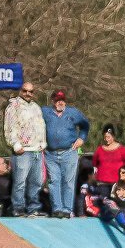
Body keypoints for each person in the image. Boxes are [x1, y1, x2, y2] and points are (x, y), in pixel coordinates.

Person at [39, 88, 89, 218]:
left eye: (62, 100)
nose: (60, 103)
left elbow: (85, 125)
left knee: (68, 181)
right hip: (50, 153)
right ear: (52, 101)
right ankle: (57, 209)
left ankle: (67, 209)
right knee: (54, 181)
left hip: (69, 152)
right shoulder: (45, 112)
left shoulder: (73, 113)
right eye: (57, 100)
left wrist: (81, 138)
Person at [3, 81, 47, 217]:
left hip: (37, 150)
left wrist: (42, 143)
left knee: (36, 182)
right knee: (20, 182)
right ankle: (18, 208)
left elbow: (41, 127)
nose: (28, 93)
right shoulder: (13, 106)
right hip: (23, 151)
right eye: (25, 91)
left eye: (31, 91)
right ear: (20, 91)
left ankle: (33, 208)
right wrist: (15, 145)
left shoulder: (36, 107)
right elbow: (9, 127)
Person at [92, 123, 125, 200]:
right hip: (102, 183)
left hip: (117, 184)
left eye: (108, 137)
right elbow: (94, 162)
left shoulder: (122, 149)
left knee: (117, 203)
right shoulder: (99, 149)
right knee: (104, 202)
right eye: (105, 137)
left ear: (113, 136)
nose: (106, 139)